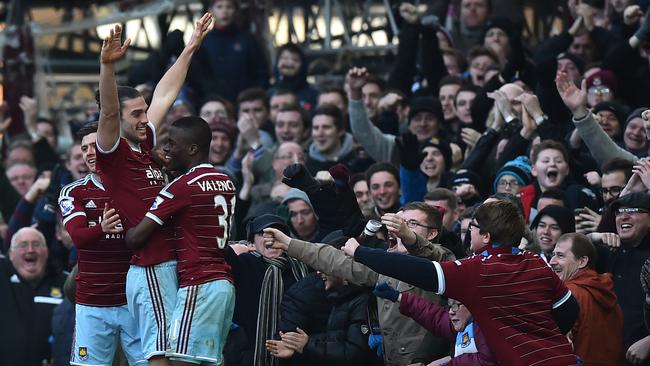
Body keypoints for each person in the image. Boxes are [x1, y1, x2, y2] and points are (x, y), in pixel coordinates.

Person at [329, 200, 580, 366]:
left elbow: (416, 270)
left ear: (486, 236)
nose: (468, 231)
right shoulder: (535, 261)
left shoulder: (478, 270)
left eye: (473, 227)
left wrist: (359, 252)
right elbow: (568, 310)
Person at [95, 16, 212, 365]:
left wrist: (191, 47)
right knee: (159, 355)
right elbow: (111, 111)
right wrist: (107, 68)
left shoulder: (144, 143)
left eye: (144, 112)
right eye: (137, 114)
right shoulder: (112, 150)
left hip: (168, 263)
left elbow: (164, 93)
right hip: (149, 268)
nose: (145, 118)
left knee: (175, 352)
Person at [262, 202, 455, 366]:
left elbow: (432, 255)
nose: (399, 229)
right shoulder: (385, 265)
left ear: (431, 234)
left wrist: (408, 235)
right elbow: (335, 260)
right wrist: (289, 243)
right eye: (398, 223)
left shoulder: (443, 261)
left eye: (411, 223)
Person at [125, 116, 236, 365]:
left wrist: (120, 226)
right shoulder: (226, 181)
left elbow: (136, 238)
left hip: (199, 284)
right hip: (224, 285)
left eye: (172, 144)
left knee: (179, 361)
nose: (166, 149)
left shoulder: (183, 187)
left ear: (193, 149)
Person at [58, 122, 145, 365]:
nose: (88, 153)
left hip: (134, 302)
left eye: (94, 146)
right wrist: (101, 228)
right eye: (84, 148)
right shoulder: (73, 192)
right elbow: (78, 236)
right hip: (92, 304)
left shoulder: (137, 188)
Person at [224, 214, 308, 366]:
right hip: (249, 356)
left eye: (276, 231)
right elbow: (219, 245)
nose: (270, 237)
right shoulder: (244, 264)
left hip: (296, 355)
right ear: (252, 243)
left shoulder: (301, 267)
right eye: (262, 233)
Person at [372, 283, 498, 365]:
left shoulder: (486, 328)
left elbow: (486, 362)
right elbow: (434, 316)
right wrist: (398, 297)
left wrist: (448, 363)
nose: (450, 312)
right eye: (449, 306)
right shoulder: (464, 320)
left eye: (455, 306)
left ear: (472, 304)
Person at [549, 233, 624, 365]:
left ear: (582, 261)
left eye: (560, 255)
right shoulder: (609, 292)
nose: (552, 261)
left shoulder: (567, 294)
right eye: (553, 254)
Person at [0, 227, 66, 366]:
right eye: (22, 245)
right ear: (10, 254)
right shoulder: (3, 277)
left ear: (47, 252)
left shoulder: (66, 283)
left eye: (36, 244)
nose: (30, 250)